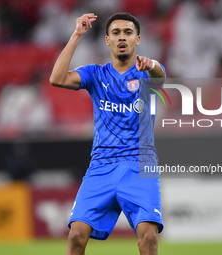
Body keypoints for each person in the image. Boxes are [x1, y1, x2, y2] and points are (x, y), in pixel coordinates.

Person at [49, 12, 166, 255]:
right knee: (76, 237)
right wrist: (76, 35)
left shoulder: (146, 73)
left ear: (138, 39)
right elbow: (56, 78)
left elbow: (160, 75)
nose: (122, 37)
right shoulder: (96, 74)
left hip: (139, 165)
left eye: (128, 33)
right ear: (107, 40)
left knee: (148, 238)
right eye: (116, 33)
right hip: (102, 166)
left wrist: (152, 64)